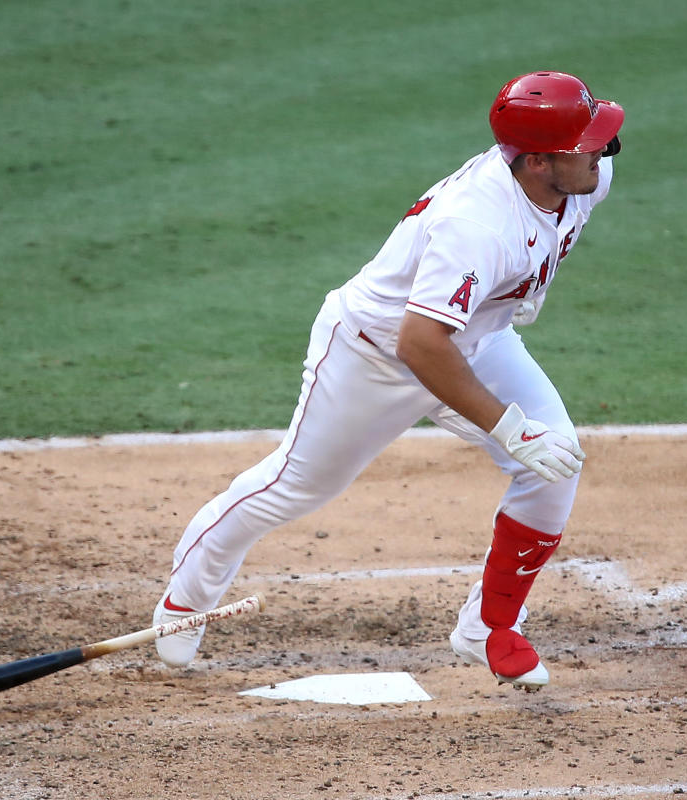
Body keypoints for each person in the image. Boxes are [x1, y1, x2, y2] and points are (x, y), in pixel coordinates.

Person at [153, 71, 623, 692]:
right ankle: (185, 602)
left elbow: (457, 334)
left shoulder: (583, 180)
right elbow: (420, 344)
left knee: (554, 459)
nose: (603, 151)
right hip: (374, 357)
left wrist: (524, 434)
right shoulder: (477, 226)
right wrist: (507, 427)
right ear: (537, 161)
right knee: (294, 486)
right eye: (585, 143)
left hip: (477, 342)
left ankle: (490, 624)